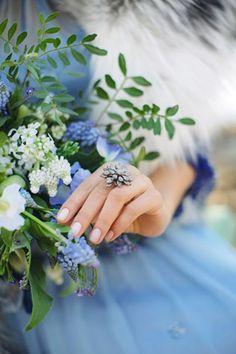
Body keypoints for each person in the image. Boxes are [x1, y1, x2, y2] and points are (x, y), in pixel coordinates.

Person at [1, 1, 236, 353]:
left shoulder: (173, 10)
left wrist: (156, 205)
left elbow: (186, 144)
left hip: (149, 250)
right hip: (29, 285)